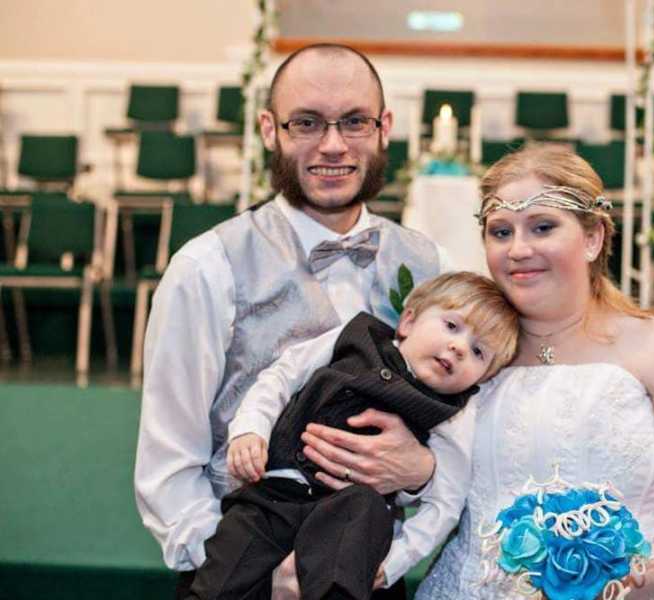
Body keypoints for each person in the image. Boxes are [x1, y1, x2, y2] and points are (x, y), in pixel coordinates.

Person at [303, 144, 654, 599]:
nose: (518, 249)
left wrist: (613, 588)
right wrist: (417, 473)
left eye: (542, 227)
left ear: (593, 238)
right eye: (500, 231)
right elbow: (440, 483)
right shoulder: (468, 358)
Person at [135, 43, 447, 600]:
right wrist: (256, 576)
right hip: (240, 570)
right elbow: (168, 466)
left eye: (354, 122)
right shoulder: (207, 267)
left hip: (369, 572)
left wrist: (421, 470)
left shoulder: (431, 267)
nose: (332, 145)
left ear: (384, 129)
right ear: (269, 130)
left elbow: (458, 437)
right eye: (306, 122)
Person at [186, 272, 519, 600]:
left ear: (483, 377)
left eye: (479, 352)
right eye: (452, 326)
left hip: (346, 515)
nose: (459, 347)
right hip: (273, 493)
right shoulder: (355, 338)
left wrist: (395, 562)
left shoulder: (453, 414)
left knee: (363, 512)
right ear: (408, 322)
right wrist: (250, 429)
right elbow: (283, 376)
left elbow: (445, 503)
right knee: (225, 571)